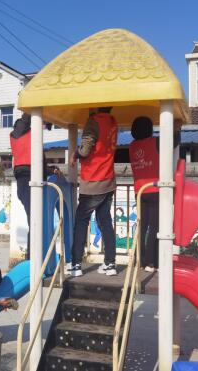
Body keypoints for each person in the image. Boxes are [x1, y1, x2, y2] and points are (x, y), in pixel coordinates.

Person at [69, 107, 118, 277]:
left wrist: (75, 154)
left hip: (92, 181)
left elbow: (85, 150)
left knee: (81, 222)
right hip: (108, 181)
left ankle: (76, 265)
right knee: (105, 222)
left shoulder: (93, 122)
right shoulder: (112, 122)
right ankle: (110, 264)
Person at [129, 116, 180, 273]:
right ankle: (151, 262)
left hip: (140, 191)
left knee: (142, 226)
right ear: (150, 129)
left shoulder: (132, 146)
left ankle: (140, 260)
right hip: (156, 190)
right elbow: (174, 142)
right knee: (155, 227)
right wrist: (177, 128)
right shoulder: (156, 142)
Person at [10, 113, 59, 260]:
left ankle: (38, 256)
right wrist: (33, 110)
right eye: (43, 124)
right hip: (26, 181)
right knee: (34, 220)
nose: (43, 128)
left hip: (34, 179)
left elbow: (38, 165)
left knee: (38, 220)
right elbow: (24, 120)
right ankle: (32, 258)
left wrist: (51, 170)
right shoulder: (19, 130)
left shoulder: (33, 137)